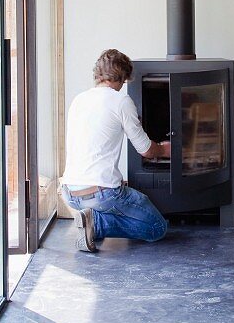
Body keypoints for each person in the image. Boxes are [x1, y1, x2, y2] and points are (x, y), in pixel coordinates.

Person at [62, 48, 169, 252]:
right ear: (122, 77)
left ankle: (90, 221)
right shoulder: (120, 101)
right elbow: (145, 149)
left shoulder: (79, 100)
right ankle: (97, 223)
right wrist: (165, 150)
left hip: (71, 194)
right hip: (101, 194)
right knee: (157, 228)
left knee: (121, 203)